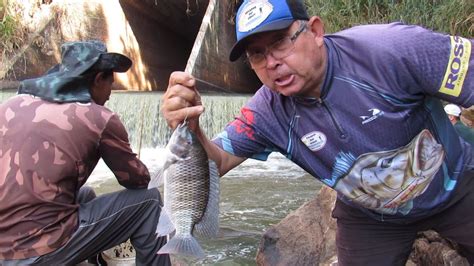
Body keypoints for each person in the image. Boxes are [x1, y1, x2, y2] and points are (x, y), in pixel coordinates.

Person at [160, 0, 474, 265]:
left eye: (281, 41)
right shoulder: (266, 112)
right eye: (257, 54)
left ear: (316, 31)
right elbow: (216, 163)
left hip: (457, 186)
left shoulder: (392, 50)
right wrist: (190, 129)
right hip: (370, 218)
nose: (272, 63)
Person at [0, 40, 170, 265]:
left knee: (86, 195)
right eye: (111, 83)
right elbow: (138, 182)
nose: (110, 94)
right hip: (35, 252)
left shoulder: (12, 104)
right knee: (149, 202)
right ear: (99, 79)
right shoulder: (98, 117)